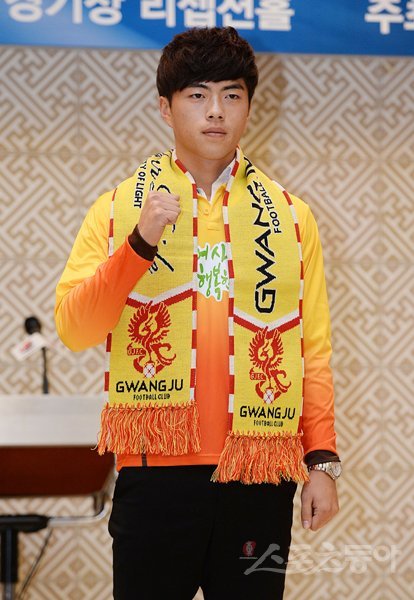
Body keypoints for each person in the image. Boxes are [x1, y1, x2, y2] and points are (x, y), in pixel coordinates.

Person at [55, 26, 341, 600]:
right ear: (165, 108)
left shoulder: (291, 218)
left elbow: (311, 349)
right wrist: (139, 244)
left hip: (259, 473)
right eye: (197, 95)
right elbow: (75, 328)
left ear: (249, 107)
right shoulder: (117, 210)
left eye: (232, 95)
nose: (216, 111)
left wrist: (322, 462)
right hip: (155, 473)